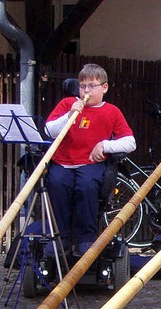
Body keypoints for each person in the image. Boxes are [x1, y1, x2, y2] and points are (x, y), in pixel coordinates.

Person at [45, 63, 136, 255]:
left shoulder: (111, 111)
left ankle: (85, 238)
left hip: (91, 163)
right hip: (63, 162)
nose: (86, 91)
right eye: (82, 86)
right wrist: (69, 115)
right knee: (56, 183)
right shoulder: (66, 104)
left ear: (104, 87)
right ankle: (61, 238)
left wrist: (105, 145)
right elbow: (49, 130)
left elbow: (130, 142)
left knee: (87, 187)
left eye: (91, 86)